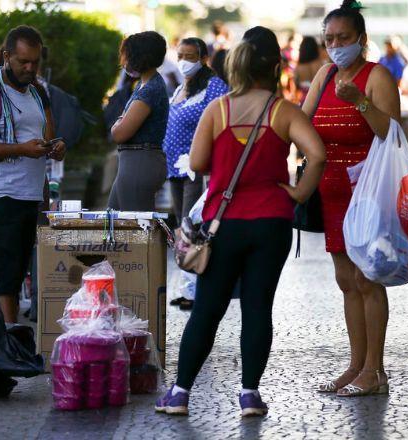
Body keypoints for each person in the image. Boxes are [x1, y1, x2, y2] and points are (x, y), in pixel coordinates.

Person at [155, 26, 326, 417]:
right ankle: (249, 395)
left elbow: (197, 164)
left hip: (223, 224)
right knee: (258, 307)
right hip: (272, 223)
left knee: (207, 309)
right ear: (276, 66)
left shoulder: (220, 109)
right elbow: (316, 154)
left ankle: (180, 394)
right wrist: (298, 194)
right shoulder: (284, 111)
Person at [303, 0, 400, 397]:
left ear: (361, 39)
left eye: (343, 38)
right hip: (332, 191)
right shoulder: (324, 74)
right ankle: (355, 365)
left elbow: (392, 133)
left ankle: (374, 371)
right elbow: (301, 121)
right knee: (346, 280)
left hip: (369, 192)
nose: (335, 45)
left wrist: (358, 102)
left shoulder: (377, 76)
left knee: (367, 278)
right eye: (329, 38)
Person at [0, 25, 65, 326]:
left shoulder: (34, 92)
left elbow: (42, 136)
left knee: (18, 271)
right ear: (7, 56)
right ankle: (7, 339)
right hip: (0, 195)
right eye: (23, 61)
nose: (30, 67)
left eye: (35, 61)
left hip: (28, 194)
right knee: (3, 276)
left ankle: (10, 337)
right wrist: (21, 148)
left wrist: (54, 147)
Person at [163, 38, 227, 232]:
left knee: (191, 224)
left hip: (196, 168)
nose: (183, 61)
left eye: (190, 57)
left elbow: (223, 122)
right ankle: (188, 261)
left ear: (204, 58)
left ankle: (196, 261)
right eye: (180, 56)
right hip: (174, 167)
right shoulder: (181, 87)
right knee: (182, 224)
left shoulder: (213, 86)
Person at [108, 31, 169, 211]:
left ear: (139, 57)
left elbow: (120, 133)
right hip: (134, 161)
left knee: (134, 229)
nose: (124, 61)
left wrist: (117, 124)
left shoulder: (150, 89)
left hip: (139, 162)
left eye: (126, 56)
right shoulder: (145, 84)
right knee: (114, 223)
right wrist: (120, 121)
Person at [295, 36, 325, 104]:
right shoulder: (322, 65)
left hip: (304, 102)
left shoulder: (298, 68)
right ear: (315, 48)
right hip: (320, 101)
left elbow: (296, 86)